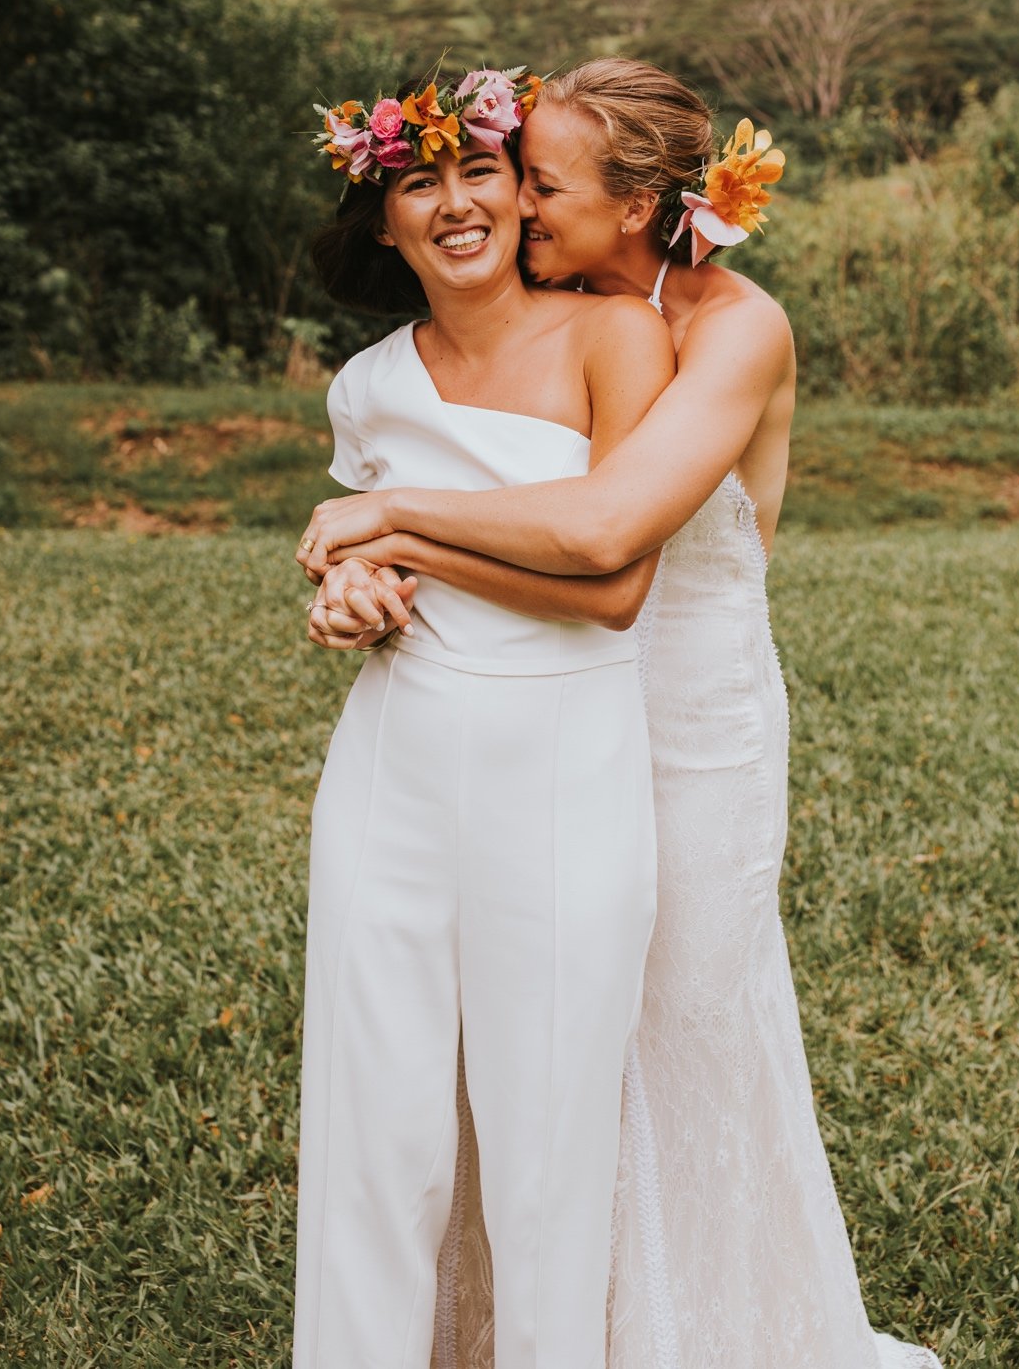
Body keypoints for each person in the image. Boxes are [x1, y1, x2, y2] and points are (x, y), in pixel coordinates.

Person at [303, 60, 943, 1369]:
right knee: (530, 1041)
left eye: (540, 182)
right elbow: (465, 439)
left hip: (689, 714)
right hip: (534, 707)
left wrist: (389, 524)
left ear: (639, 200)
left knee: (679, 1025)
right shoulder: (568, 303)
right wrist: (382, 558)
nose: (519, 203)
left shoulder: (734, 325)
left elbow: (604, 535)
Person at [291, 69, 676, 1369]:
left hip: (565, 761)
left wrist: (397, 529)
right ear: (385, 221)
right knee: (375, 1124)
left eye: (478, 173)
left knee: (547, 1133)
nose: (454, 203)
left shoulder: (611, 339)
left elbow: (616, 586)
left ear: (522, 193)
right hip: (394, 765)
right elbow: (368, 561)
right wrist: (357, 585)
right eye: (417, 182)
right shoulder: (367, 387)